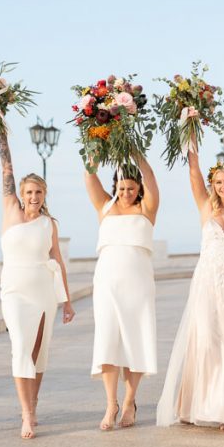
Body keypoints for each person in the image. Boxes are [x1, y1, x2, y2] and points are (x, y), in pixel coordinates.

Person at [156, 147, 224, 430]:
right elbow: (193, 171)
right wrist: (190, 135)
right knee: (205, 342)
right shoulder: (206, 206)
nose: (223, 186)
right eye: (218, 182)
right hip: (207, 283)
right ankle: (194, 406)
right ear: (213, 186)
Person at [0, 128, 75, 439]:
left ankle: (33, 402)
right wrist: (1, 131)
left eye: (38, 192)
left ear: (44, 195)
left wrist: (67, 301)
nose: (33, 197)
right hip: (14, 291)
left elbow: (58, 261)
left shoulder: (49, 224)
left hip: (43, 291)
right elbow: (6, 169)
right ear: (21, 194)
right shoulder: (10, 211)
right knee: (20, 346)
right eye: (29, 192)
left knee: (38, 352)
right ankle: (26, 414)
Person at [84, 156, 159, 430]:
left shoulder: (147, 208)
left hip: (138, 284)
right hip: (106, 283)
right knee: (107, 340)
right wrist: (96, 150)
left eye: (131, 188)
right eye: (122, 187)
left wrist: (136, 154)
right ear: (115, 186)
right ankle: (110, 404)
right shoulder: (105, 205)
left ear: (139, 188)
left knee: (135, 340)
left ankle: (129, 401)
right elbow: (89, 176)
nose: (126, 193)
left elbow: (150, 176)